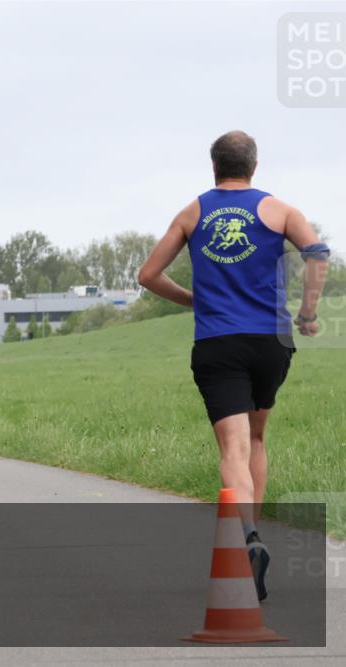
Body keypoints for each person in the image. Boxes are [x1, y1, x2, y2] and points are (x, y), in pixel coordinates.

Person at [138, 130, 328, 601]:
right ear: (255, 166)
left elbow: (147, 275)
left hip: (218, 343)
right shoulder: (280, 210)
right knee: (257, 436)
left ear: (214, 167)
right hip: (271, 342)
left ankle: (247, 538)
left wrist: (192, 300)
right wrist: (307, 313)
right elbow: (317, 252)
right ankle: (254, 535)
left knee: (232, 447)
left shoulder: (193, 211)